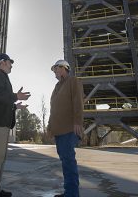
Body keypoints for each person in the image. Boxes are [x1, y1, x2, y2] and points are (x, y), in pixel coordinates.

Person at [0, 53, 31, 197]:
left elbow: (3, 101)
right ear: (2, 62)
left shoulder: (2, 77)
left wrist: (16, 106)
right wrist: (16, 96)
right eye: (10, 62)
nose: (11, 65)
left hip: (2, 123)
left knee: (0, 158)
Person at [47, 59, 84, 197]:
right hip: (58, 130)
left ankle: (72, 194)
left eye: (56, 68)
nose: (55, 72)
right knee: (65, 161)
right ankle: (69, 192)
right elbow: (53, 110)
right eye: (54, 70)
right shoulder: (56, 87)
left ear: (64, 68)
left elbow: (78, 101)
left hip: (69, 128)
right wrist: (50, 128)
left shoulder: (73, 81)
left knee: (68, 160)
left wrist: (78, 122)